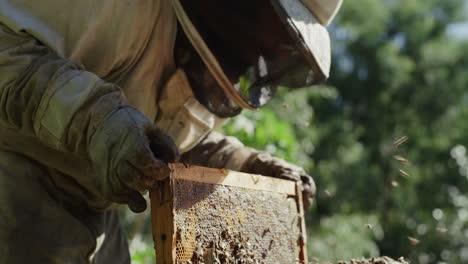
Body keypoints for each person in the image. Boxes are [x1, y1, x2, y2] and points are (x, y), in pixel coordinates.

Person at [0, 0, 342, 262]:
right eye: (276, 25)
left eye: (286, 41)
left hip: (97, 220)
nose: (270, 49)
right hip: (14, 180)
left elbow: (167, 139)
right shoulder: (117, 8)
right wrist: (94, 119)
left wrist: (242, 164)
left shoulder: (202, 53)